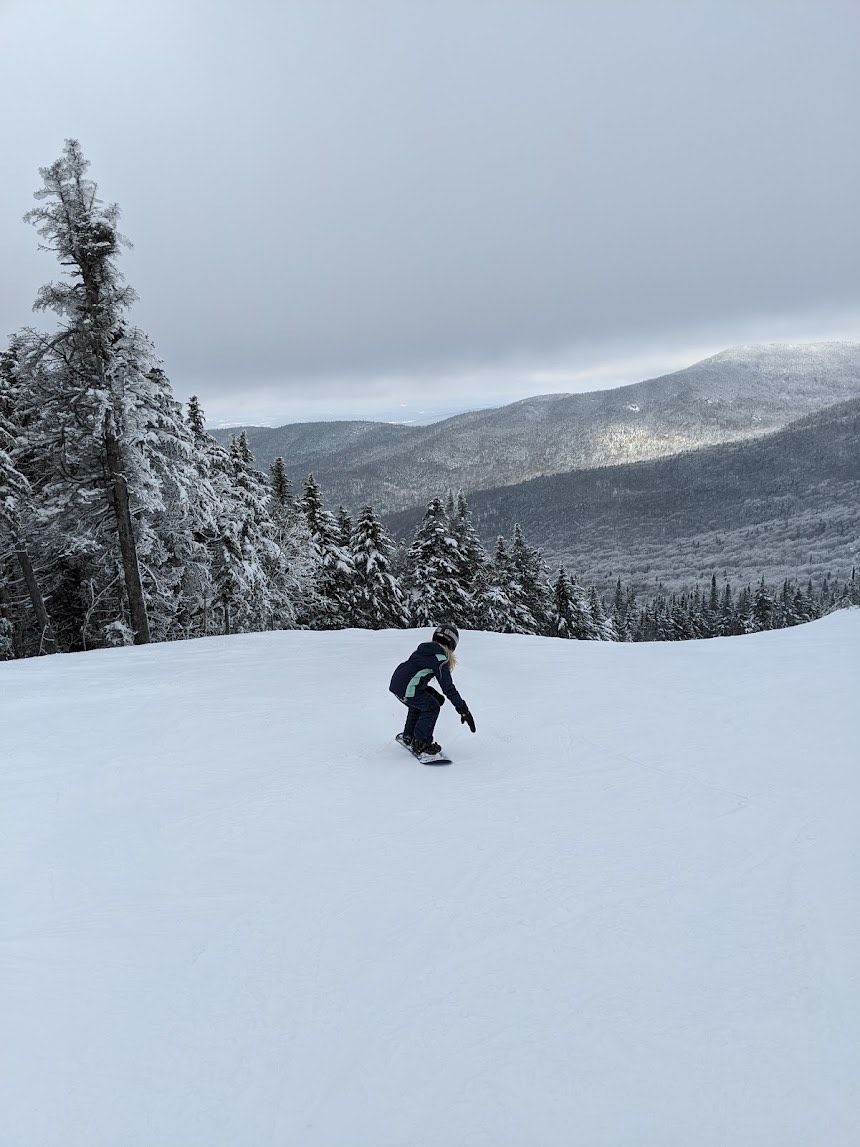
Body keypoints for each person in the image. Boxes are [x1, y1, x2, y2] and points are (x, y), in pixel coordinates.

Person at [389, 623, 476, 757]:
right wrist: (463, 709)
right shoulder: (439, 659)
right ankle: (422, 744)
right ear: (452, 644)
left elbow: (414, 674)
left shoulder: (424, 650)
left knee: (423, 703)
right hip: (408, 688)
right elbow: (448, 688)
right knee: (432, 707)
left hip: (397, 684)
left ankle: (409, 736)